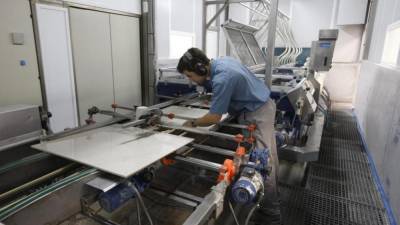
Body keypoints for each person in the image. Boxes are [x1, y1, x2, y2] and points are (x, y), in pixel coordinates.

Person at [177, 48, 281, 225]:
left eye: (190, 75)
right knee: (270, 156)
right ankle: (270, 202)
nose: (191, 80)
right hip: (264, 107)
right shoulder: (222, 62)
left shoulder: (222, 78)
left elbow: (214, 118)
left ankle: (271, 214)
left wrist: (192, 123)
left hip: (257, 114)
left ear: (201, 69)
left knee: (261, 164)